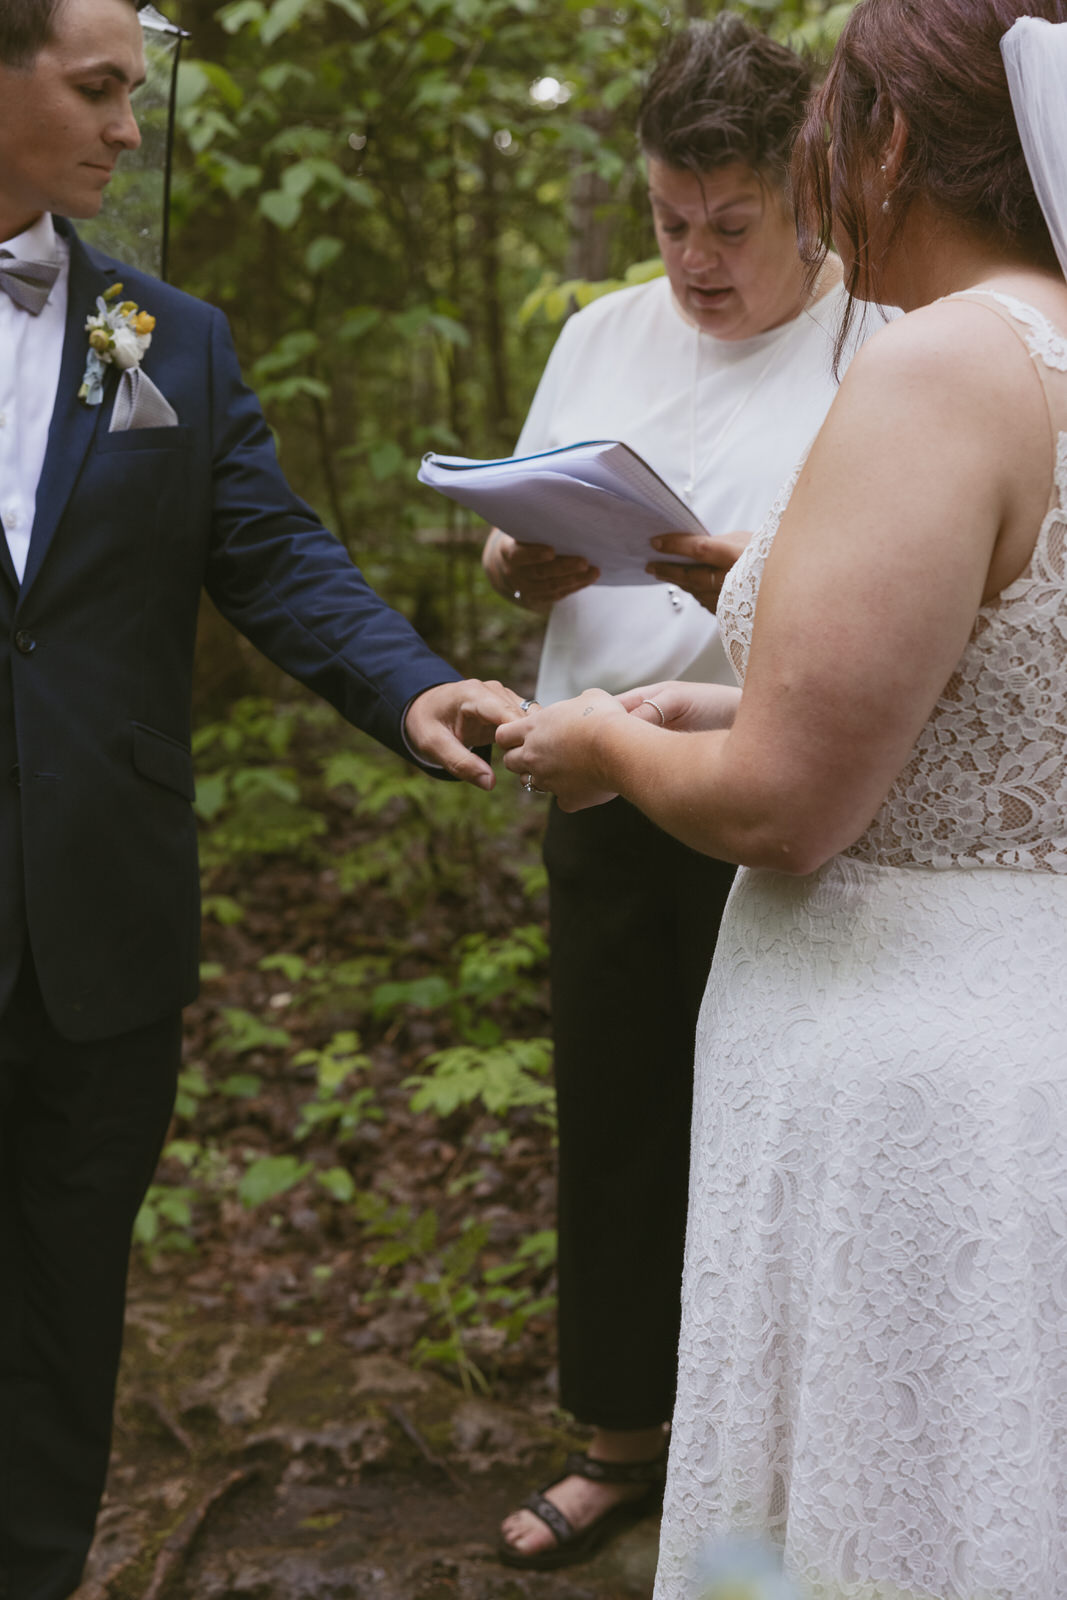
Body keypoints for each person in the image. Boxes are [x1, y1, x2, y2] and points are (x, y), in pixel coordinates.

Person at [498, 0, 1067, 1594]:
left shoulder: (939, 361)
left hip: (905, 1047)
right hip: (1030, 1017)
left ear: (886, 144)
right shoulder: (1058, 345)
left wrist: (612, 747)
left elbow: (786, 809)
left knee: (885, 1475)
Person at [0, 2, 523, 1596]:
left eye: (131, 94)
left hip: (97, 936)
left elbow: (277, 555)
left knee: (58, 1337)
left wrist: (414, 683)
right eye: (98, 90)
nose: (130, 130)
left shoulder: (165, 340)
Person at [484, 16, 877, 1571]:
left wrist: (750, 576)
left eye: (731, 226)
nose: (696, 261)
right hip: (597, 775)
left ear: (810, 202)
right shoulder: (600, 337)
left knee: (775, 1138)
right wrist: (523, 559)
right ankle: (619, 1441)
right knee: (622, 1119)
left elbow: (896, 613)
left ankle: (778, 1459)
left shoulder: (883, 347)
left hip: (774, 798)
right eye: (669, 221)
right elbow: (517, 546)